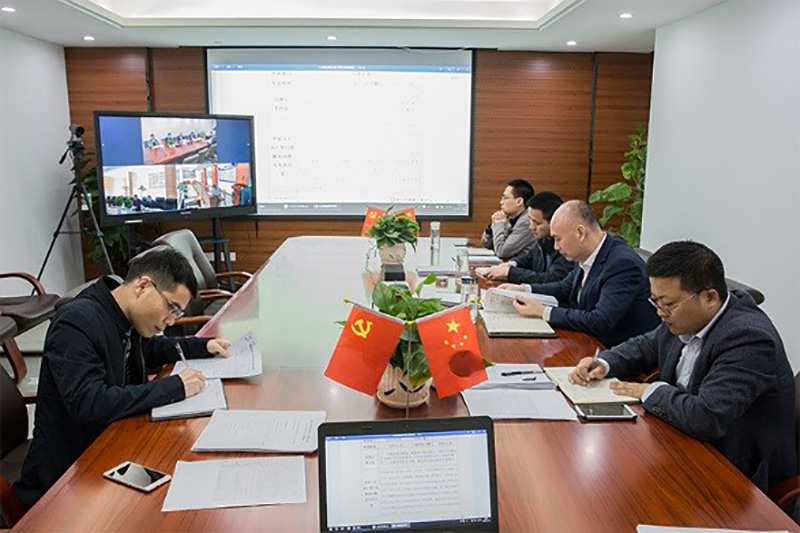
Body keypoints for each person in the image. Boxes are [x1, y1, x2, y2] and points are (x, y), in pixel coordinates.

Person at [13, 247, 231, 509]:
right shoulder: (76, 323)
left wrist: (202, 346)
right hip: (66, 480)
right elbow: (91, 403)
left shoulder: (123, 312)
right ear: (143, 286)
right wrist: (175, 387)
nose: (171, 321)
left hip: (109, 451)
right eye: (171, 308)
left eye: (178, 313)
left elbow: (149, 349)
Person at [568, 241, 796, 491]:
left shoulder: (749, 338)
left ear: (710, 297)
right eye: (655, 301)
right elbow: (646, 345)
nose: (660, 312)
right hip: (682, 441)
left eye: (668, 304)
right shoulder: (687, 317)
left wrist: (649, 391)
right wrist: (604, 363)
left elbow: (706, 417)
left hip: (736, 473)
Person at [502, 200, 659, 347]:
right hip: (586, 341)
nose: (556, 246)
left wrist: (543, 311)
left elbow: (600, 321)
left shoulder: (622, 263)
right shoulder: (588, 253)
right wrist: (524, 289)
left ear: (580, 233)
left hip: (612, 350)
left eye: (558, 239)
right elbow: (564, 287)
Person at [479, 191, 572, 284]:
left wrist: (510, 272)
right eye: (530, 220)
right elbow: (528, 258)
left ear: (553, 222)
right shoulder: (544, 240)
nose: (531, 227)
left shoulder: (565, 246)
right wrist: (510, 264)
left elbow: (552, 279)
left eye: (537, 223)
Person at [480, 179, 536, 260]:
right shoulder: (509, 219)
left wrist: (499, 225)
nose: (501, 202)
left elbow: (501, 252)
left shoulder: (527, 221)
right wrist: (491, 228)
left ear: (519, 201)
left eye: (505, 198)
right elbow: (485, 244)